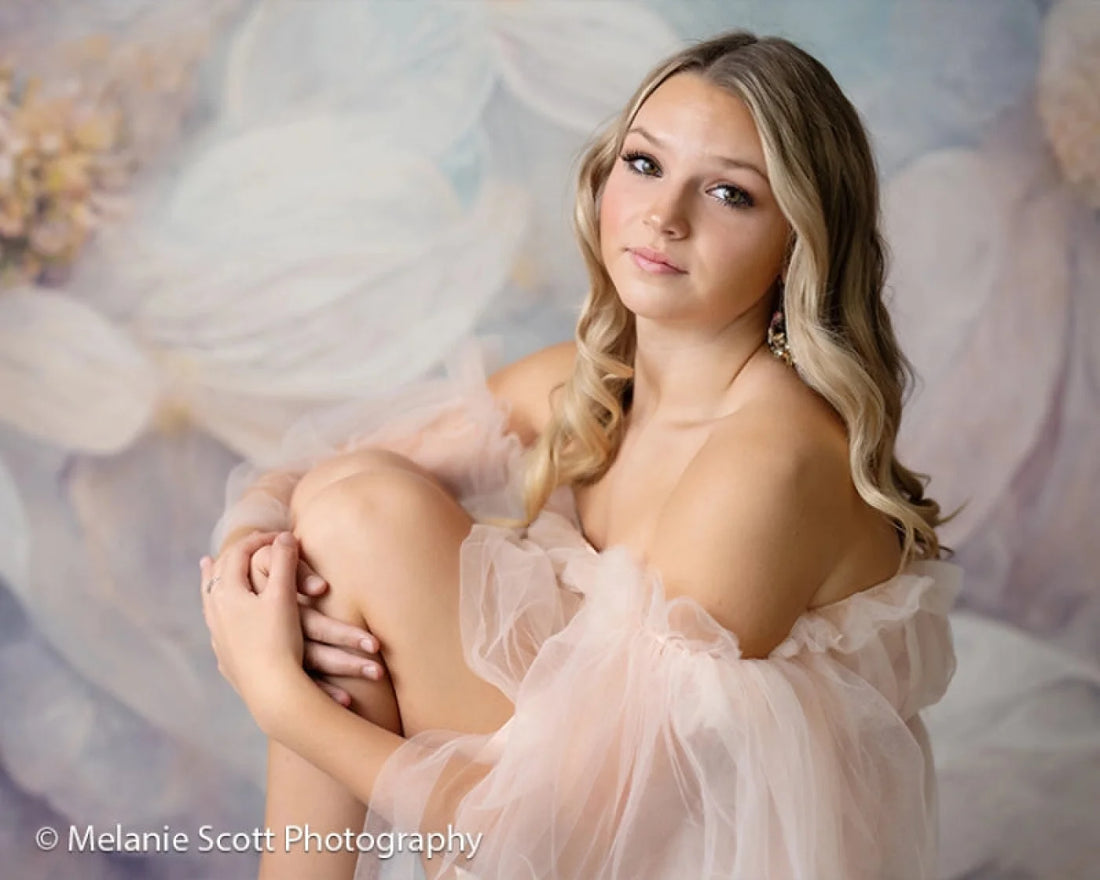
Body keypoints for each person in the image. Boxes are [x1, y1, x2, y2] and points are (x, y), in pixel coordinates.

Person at [200, 29, 961, 880]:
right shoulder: (598, 381)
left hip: (653, 850)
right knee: (344, 510)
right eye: (644, 164)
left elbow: (569, 834)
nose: (664, 216)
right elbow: (309, 473)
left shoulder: (769, 463)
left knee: (356, 518)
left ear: (801, 242)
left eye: (728, 193)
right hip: (562, 815)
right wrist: (251, 570)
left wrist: (282, 699)